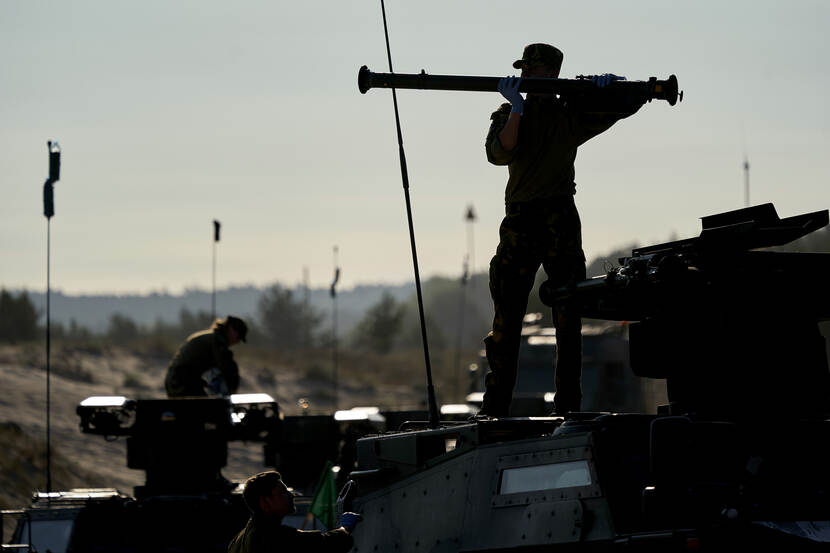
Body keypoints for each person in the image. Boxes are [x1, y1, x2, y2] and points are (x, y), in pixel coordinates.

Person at [479, 43, 644, 417]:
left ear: (552, 75)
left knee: (569, 316)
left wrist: (610, 88)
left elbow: (623, 107)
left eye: (533, 71)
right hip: (520, 221)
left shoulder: (569, 113)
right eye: (524, 71)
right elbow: (499, 153)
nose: (526, 77)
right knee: (507, 317)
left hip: (559, 219)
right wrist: (517, 109)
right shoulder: (508, 113)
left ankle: (569, 407)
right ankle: (495, 407)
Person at [228, 470, 361, 553]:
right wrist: (345, 528)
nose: (292, 496)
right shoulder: (272, 536)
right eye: (283, 493)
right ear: (265, 502)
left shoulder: (240, 538)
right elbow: (324, 544)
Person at [165, 315, 248, 397]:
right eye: (238, 336)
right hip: (180, 382)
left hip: (178, 381)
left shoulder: (212, 338)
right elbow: (227, 367)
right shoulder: (217, 341)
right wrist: (231, 389)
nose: (238, 341)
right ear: (231, 329)